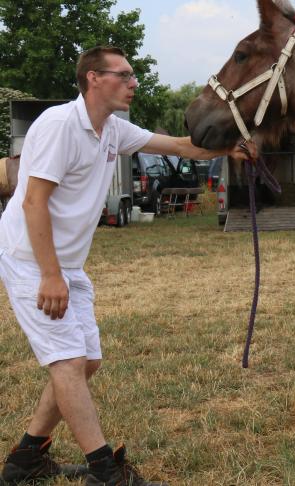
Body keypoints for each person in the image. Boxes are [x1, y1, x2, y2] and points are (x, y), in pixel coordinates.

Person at [0, 46, 256, 486]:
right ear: (93, 79)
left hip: (67, 265)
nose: (134, 82)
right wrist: (49, 275)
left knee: (86, 363)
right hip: (31, 260)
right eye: (124, 74)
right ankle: (104, 471)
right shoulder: (60, 125)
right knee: (67, 362)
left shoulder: (112, 130)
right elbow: (32, 201)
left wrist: (229, 149)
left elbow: (177, 145)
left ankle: (26, 458)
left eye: (133, 74)